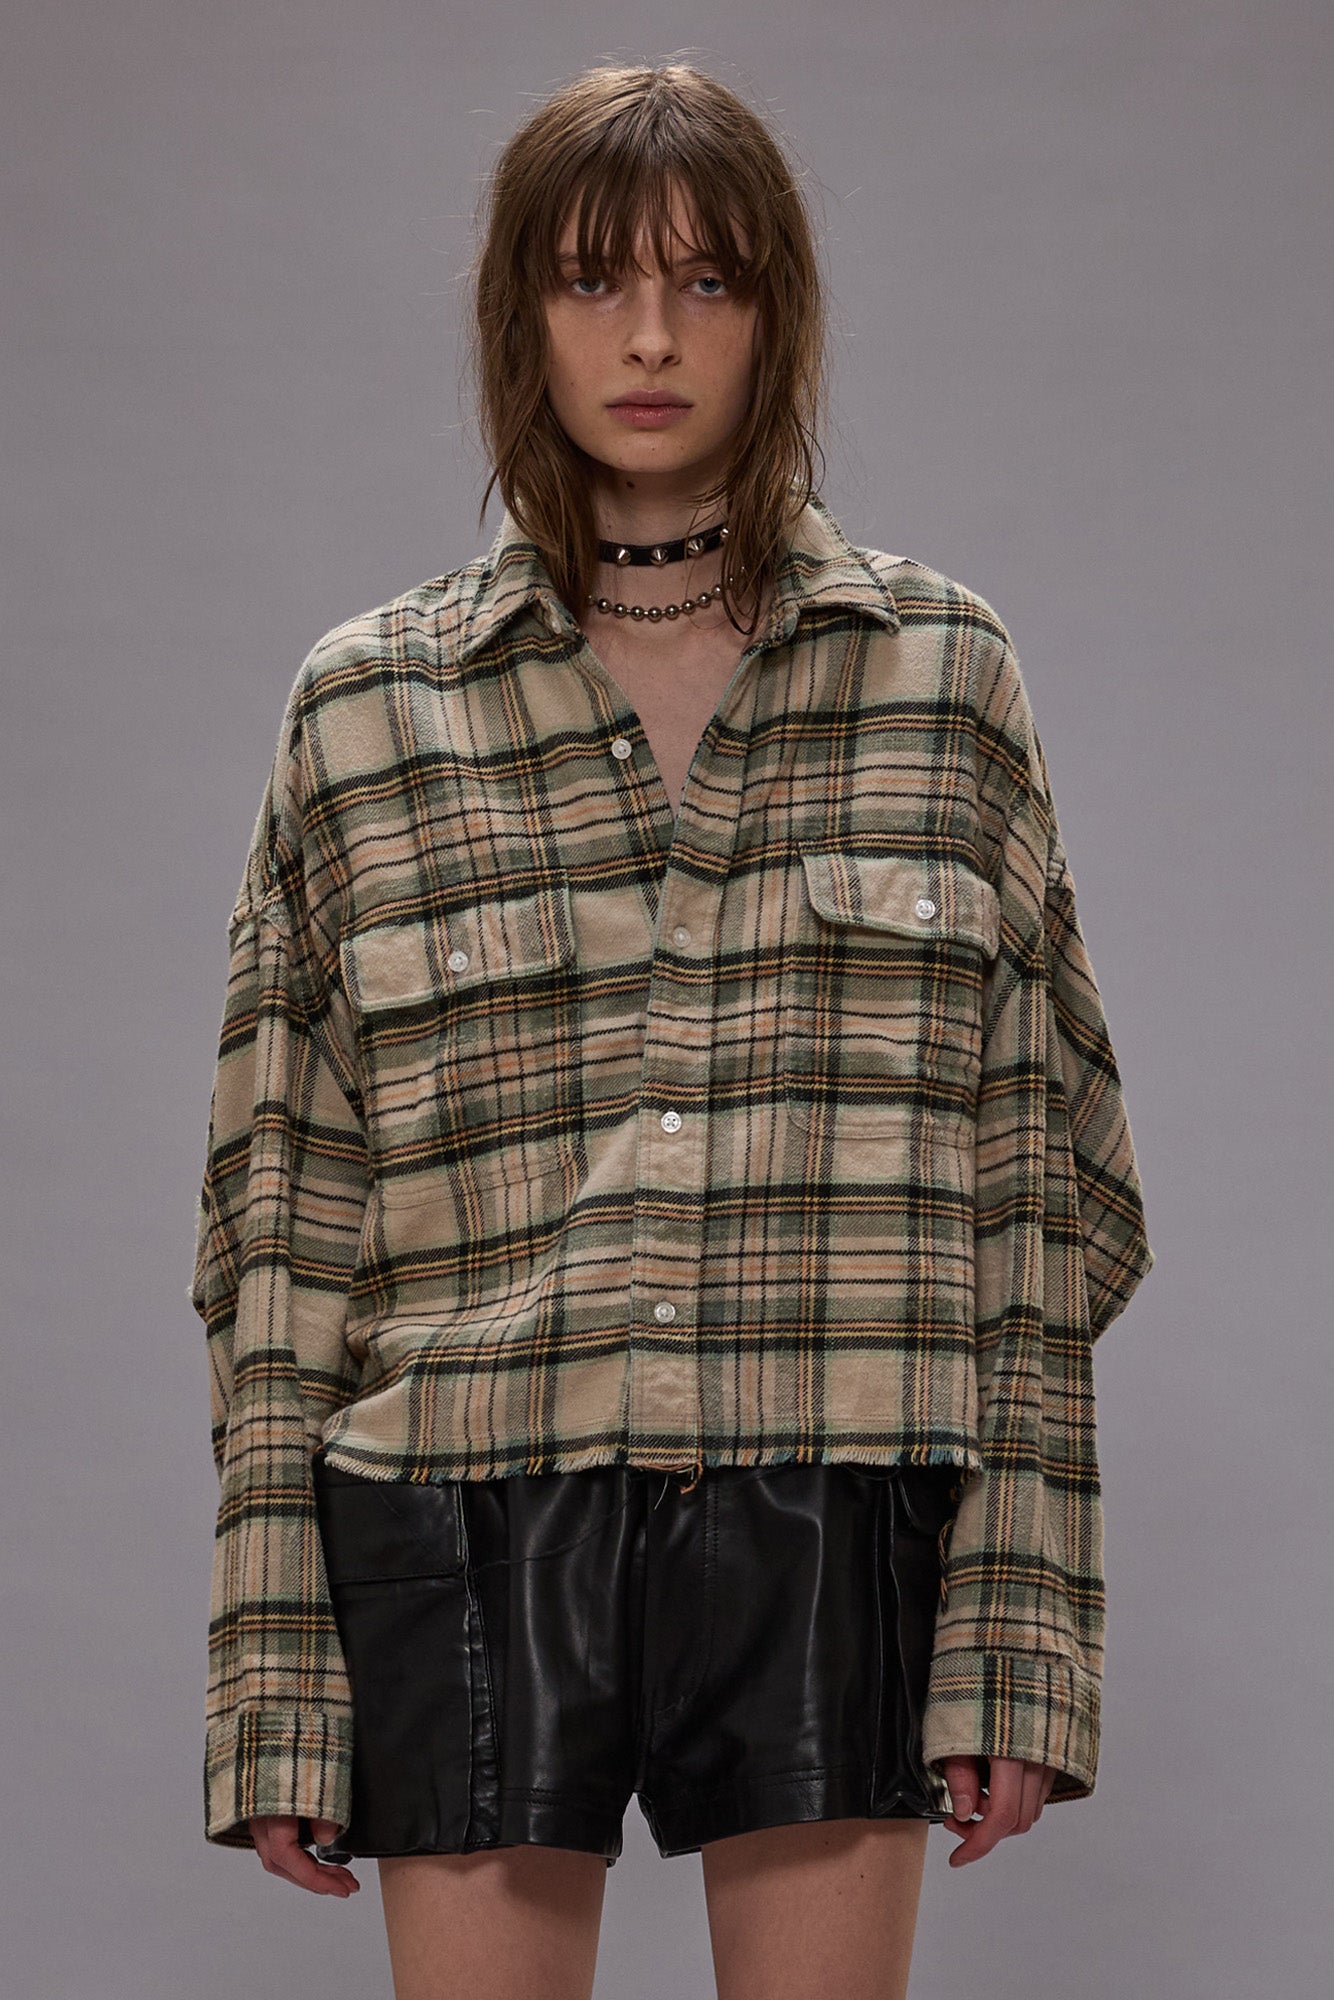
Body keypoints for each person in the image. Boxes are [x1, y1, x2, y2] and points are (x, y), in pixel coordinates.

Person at [187, 59, 1154, 2000]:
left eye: (707, 281)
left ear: (778, 315)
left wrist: (1014, 1634)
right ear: (517, 316)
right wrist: (276, 1682)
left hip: (831, 1481)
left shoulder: (937, 676)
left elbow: (1037, 1200)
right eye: (591, 281)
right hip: (463, 1499)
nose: (648, 337)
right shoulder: (367, 708)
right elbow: (278, 1230)